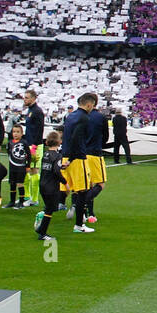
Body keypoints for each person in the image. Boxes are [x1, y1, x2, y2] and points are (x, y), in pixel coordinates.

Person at [60, 94, 91, 225]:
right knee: (82, 190)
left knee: (69, 188)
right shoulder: (84, 118)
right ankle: (80, 223)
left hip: (66, 154)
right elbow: (76, 137)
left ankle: (47, 212)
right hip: (77, 158)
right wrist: (72, 158)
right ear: (89, 104)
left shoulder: (70, 116)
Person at [33, 130, 67, 241]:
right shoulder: (57, 156)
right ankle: (42, 233)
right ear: (59, 142)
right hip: (51, 186)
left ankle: (41, 229)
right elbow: (56, 172)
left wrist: (61, 167)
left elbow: (50, 168)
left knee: (51, 207)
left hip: (42, 184)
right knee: (51, 209)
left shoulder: (45, 154)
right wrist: (65, 182)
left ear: (47, 142)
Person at [82, 95, 107, 224]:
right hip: (95, 153)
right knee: (100, 184)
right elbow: (106, 137)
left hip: (82, 153)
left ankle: (89, 213)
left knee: (88, 185)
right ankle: (82, 205)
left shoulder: (79, 116)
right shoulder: (100, 117)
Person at [6, 125, 31, 208]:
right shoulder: (10, 142)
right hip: (12, 166)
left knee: (20, 183)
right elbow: (9, 153)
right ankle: (12, 201)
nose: (15, 134)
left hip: (21, 167)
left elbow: (29, 155)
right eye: (14, 132)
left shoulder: (24, 143)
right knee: (12, 183)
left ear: (21, 133)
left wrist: (28, 166)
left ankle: (21, 202)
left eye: (18, 132)